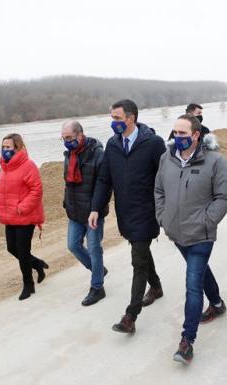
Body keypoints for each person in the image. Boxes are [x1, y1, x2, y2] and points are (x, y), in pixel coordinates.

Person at [155, 114, 227, 364]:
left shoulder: (215, 161)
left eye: (182, 133)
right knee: (198, 271)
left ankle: (187, 341)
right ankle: (218, 304)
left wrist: (207, 222)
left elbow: (224, 196)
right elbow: (158, 190)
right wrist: (163, 217)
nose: (177, 137)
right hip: (176, 232)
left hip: (201, 234)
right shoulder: (165, 159)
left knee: (192, 283)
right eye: (175, 133)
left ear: (196, 135)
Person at [89, 99, 166, 334]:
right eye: (112, 118)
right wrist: (95, 208)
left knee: (138, 260)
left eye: (117, 118)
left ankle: (130, 315)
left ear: (131, 118)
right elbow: (104, 179)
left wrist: (168, 208)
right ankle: (156, 287)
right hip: (125, 212)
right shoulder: (113, 145)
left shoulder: (153, 144)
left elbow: (165, 177)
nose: (113, 123)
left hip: (147, 211)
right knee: (140, 252)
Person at [0, 133, 47, 301]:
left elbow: (36, 190)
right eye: (3, 147)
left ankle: (28, 285)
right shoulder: (4, 166)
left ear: (17, 148)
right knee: (12, 248)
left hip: (25, 215)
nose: (5, 150)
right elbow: (0, 189)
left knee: (23, 251)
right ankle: (37, 264)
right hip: (9, 215)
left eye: (8, 147)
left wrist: (22, 208)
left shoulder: (28, 165)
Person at [61, 120, 110, 306]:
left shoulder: (97, 154)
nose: (66, 141)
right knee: (73, 245)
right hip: (74, 212)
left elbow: (104, 184)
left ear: (80, 135)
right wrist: (66, 203)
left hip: (92, 212)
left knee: (94, 248)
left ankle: (97, 287)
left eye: (69, 138)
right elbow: (68, 183)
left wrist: (96, 209)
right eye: (64, 138)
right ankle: (98, 270)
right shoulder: (69, 155)